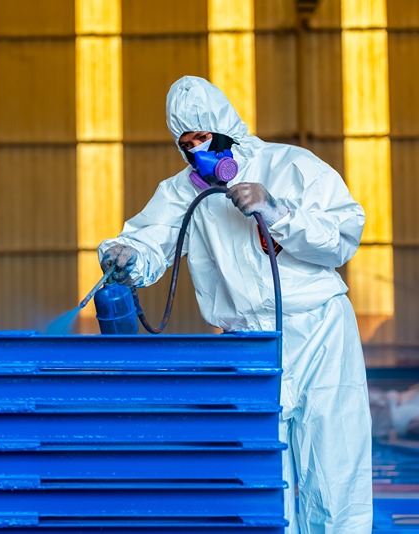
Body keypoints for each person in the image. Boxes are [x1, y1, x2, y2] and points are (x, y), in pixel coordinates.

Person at [98, 76, 372, 532]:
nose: (196, 153)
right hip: (248, 343)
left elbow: (342, 236)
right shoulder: (182, 191)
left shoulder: (290, 166)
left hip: (320, 329)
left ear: (224, 127)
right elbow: (149, 240)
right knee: (262, 474)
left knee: (335, 465)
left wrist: (277, 211)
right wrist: (126, 256)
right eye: (186, 144)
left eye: (203, 138)